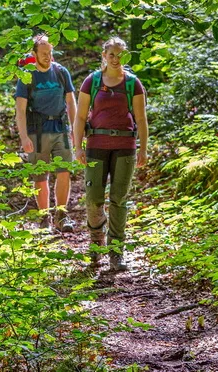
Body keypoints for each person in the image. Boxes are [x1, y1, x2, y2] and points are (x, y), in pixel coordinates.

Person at [73, 37, 148, 271]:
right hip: (96, 146)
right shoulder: (92, 82)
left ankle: (116, 252)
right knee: (94, 198)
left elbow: (141, 119)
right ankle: (96, 246)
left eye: (121, 55)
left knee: (119, 199)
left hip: (125, 147)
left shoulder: (133, 84)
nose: (116, 59)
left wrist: (143, 148)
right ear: (104, 56)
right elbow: (80, 116)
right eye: (112, 54)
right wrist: (77, 146)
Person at [15, 34, 77, 232]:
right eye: (43, 54)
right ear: (34, 54)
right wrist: (24, 137)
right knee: (41, 177)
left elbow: (71, 101)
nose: (48, 57)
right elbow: (20, 109)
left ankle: (61, 215)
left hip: (60, 129)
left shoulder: (61, 72)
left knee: (64, 172)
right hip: (37, 132)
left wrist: (76, 129)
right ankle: (45, 218)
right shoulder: (27, 76)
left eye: (50, 53)